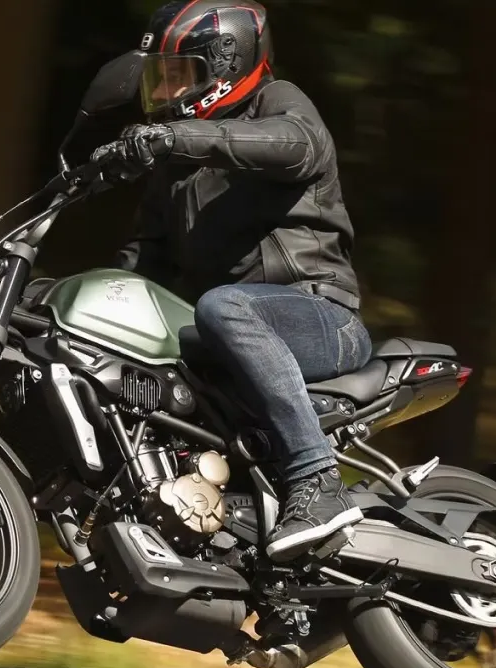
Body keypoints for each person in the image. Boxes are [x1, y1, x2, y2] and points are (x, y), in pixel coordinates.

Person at [91, 0, 372, 561]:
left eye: (179, 77)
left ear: (225, 65)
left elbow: (294, 144)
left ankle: (319, 482)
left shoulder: (280, 104)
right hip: (230, 329)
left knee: (220, 307)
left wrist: (177, 138)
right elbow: (142, 259)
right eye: (159, 79)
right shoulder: (173, 170)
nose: (166, 94)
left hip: (321, 316)